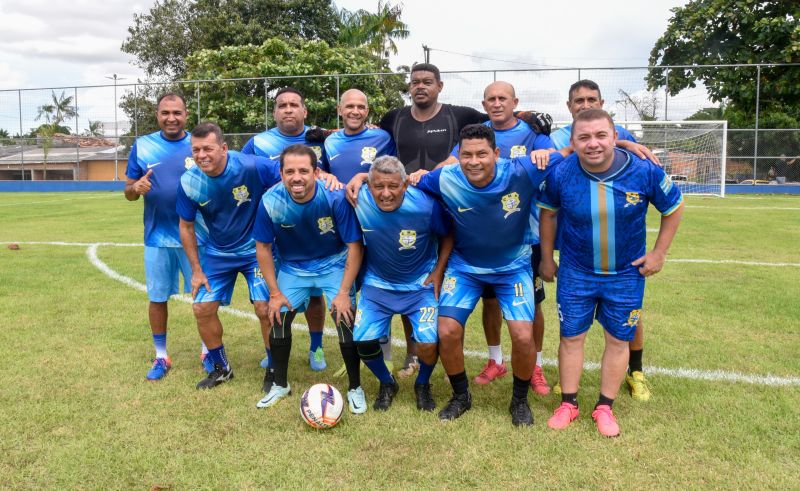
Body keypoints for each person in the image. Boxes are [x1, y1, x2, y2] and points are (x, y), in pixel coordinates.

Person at [373, 63, 552, 378]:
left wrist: (531, 119)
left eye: (427, 81)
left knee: (521, 309)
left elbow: (565, 149)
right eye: (415, 82)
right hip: (435, 216)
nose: (420, 86)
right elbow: (369, 133)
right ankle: (421, 356)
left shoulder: (463, 116)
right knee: (421, 285)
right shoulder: (395, 118)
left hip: (513, 236)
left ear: (440, 86)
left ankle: (531, 368)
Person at [538, 109, 683, 437]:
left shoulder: (644, 171)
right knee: (571, 337)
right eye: (584, 137)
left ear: (614, 136)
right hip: (577, 272)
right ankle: (569, 403)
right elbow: (547, 214)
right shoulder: (561, 173)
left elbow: (674, 208)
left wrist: (659, 253)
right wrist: (547, 258)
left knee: (618, 340)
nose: (593, 144)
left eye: (601, 135)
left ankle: (605, 407)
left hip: (626, 273)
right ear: (572, 141)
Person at [413, 124, 553, 426]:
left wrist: (628, 145)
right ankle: (461, 396)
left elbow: (578, 154)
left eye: (481, 154)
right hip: (464, 267)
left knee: (522, 335)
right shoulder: (444, 178)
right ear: (457, 156)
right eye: (466, 155)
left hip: (513, 266)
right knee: (447, 330)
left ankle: (519, 401)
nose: (473, 161)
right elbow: (404, 189)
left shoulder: (521, 171)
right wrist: (362, 178)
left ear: (497, 154)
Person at [549, 79, 656, 401]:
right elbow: (557, 162)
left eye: (591, 99)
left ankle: (635, 370)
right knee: (572, 326)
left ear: (602, 101)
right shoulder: (556, 138)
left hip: (622, 251)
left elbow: (620, 156)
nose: (585, 104)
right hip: (577, 242)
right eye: (578, 100)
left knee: (626, 318)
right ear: (569, 107)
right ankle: (569, 385)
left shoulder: (622, 134)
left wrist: (624, 144)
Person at [445, 81, 553, 394]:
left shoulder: (533, 132)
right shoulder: (477, 133)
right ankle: (495, 360)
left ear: (514, 102)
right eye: (490, 99)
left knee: (532, 307)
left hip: (523, 236)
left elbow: (554, 154)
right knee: (489, 303)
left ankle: (536, 366)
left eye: (502, 98)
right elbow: (451, 165)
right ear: (484, 103)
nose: (496, 103)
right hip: (482, 235)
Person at [253, 144, 365, 413]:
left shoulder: (334, 197)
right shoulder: (270, 201)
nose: (297, 177)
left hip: (334, 263)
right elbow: (263, 248)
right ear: (281, 173)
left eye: (304, 170)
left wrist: (343, 292)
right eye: (290, 171)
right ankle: (280, 384)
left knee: (344, 316)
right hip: (294, 268)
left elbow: (354, 246)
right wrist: (275, 292)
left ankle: (355, 388)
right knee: (277, 314)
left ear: (316, 172)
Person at [176, 122, 287, 390]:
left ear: (224, 148)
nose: (201, 155)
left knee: (265, 308)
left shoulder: (251, 166)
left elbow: (290, 176)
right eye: (196, 150)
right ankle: (221, 368)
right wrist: (197, 270)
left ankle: (273, 369)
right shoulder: (190, 181)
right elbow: (186, 226)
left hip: (256, 251)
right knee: (201, 308)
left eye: (208, 149)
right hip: (218, 252)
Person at [351, 156, 453, 411]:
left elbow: (448, 234)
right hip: (377, 285)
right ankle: (387, 383)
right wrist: (357, 177)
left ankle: (423, 383)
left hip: (420, 286)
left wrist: (439, 271)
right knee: (363, 342)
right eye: (379, 187)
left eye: (393, 186)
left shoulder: (426, 205)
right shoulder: (358, 198)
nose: (386, 194)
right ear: (369, 186)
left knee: (428, 344)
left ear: (405, 185)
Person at [242, 87, 329, 374]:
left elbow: (332, 175)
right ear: (275, 111)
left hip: (314, 231)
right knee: (270, 296)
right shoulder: (258, 143)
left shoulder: (322, 139)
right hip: (274, 233)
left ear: (305, 110)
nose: (288, 109)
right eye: (282, 105)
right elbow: (240, 173)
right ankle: (273, 350)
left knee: (315, 295)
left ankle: (316, 346)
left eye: (294, 104)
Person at [124, 92, 209, 380]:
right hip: (157, 237)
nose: (171, 118)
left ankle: (208, 351)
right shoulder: (143, 145)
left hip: (197, 237)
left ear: (186, 115)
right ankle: (161, 356)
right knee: (158, 297)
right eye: (165, 113)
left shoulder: (198, 144)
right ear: (157, 115)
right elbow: (128, 193)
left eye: (177, 113)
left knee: (203, 297)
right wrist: (136, 188)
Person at [323, 89, 395, 184]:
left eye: (361, 107)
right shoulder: (330, 142)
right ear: (339, 110)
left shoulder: (383, 138)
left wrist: (364, 177)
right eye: (350, 106)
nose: (355, 112)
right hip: (338, 198)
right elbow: (324, 173)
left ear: (367, 111)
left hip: (371, 199)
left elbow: (396, 174)